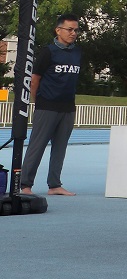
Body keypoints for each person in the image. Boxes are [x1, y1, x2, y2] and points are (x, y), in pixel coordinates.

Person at [18, 14, 83, 198]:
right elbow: (35, 80)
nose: (73, 33)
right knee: (37, 145)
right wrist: (38, 102)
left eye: (76, 30)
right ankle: (25, 184)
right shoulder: (48, 52)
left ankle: (54, 184)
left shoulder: (77, 52)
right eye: (70, 29)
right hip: (47, 106)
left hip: (68, 107)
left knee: (60, 147)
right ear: (58, 30)